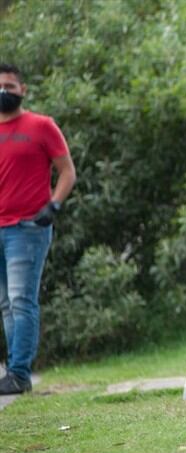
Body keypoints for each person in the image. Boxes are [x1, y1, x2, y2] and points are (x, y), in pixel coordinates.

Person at [0, 63, 76, 395]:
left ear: (23, 90)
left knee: (21, 300)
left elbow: (67, 171)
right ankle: (15, 372)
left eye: (10, 86)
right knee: (5, 303)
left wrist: (54, 205)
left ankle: (18, 373)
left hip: (27, 228)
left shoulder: (41, 126)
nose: (4, 91)